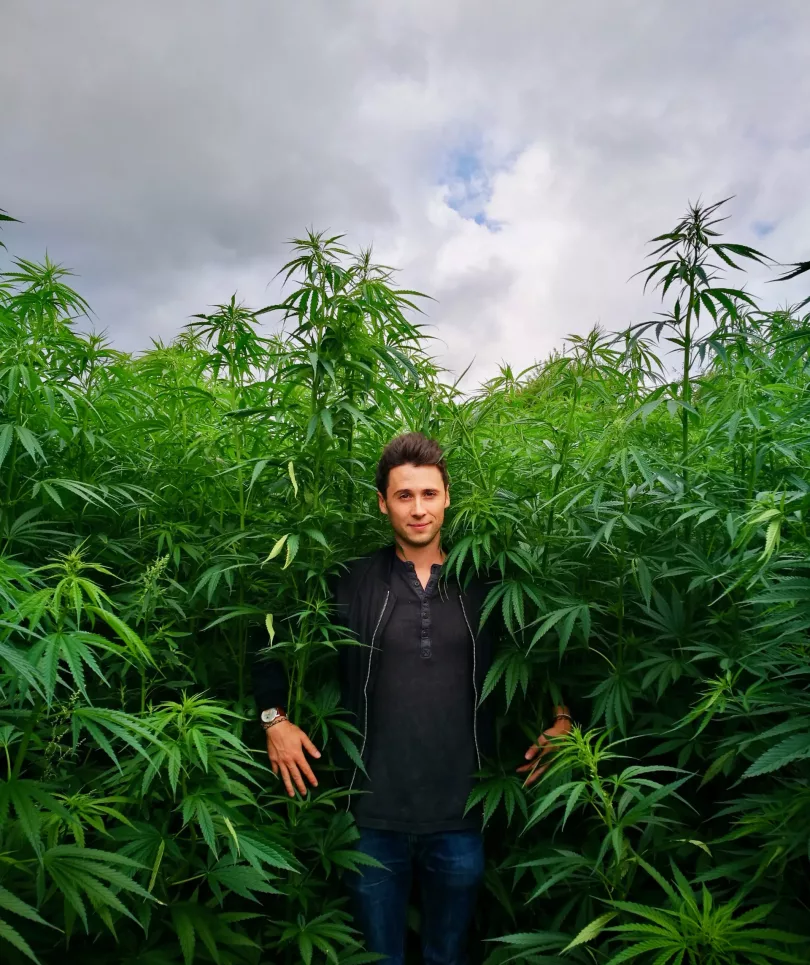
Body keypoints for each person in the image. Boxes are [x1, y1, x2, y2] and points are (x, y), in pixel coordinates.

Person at [251, 432, 572, 965]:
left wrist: (563, 719)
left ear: (448, 497)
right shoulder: (349, 582)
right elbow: (271, 643)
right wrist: (273, 720)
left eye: (428, 494)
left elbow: (539, 655)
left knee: (448, 956)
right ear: (383, 503)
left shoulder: (486, 585)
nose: (418, 509)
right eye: (404, 496)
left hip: (463, 812)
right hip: (369, 815)